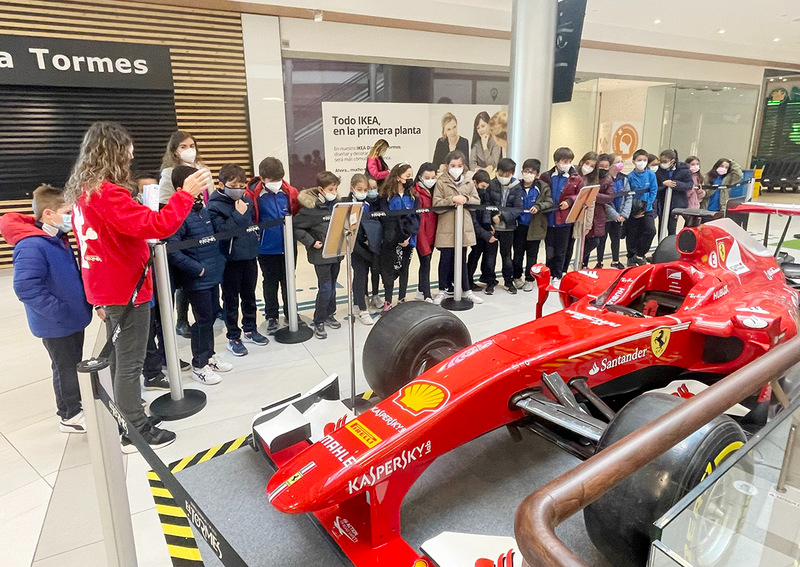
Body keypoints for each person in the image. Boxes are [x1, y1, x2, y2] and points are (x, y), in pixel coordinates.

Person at [65, 121, 208, 451]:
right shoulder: (108, 194)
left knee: (121, 359)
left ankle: (126, 417)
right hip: (125, 289)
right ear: (113, 155)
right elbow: (158, 225)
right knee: (130, 363)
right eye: (127, 155)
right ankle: (135, 430)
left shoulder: (85, 192)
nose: (130, 160)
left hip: (107, 287)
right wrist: (185, 195)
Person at [0, 185, 92, 433]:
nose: (71, 217)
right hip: (57, 322)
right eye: (67, 212)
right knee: (65, 368)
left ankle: (74, 404)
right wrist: (59, 311)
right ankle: (70, 415)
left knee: (71, 364)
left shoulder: (57, 239)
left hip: (71, 318)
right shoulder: (31, 245)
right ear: (49, 213)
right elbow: (26, 287)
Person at [167, 166, 231, 385]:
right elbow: (173, 251)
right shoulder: (177, 214)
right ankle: (199, 365)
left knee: (210, 317)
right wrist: (198, 269)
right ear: (180, 188)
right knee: (202, 321)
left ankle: (209, 356)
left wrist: (217, 264)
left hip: (212, 274)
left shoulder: (201, 209)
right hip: (197, 279)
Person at [208, 164, 269, 357]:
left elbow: (250, 226)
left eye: (242, 186)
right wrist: (238, 214)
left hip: (249, 255)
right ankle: (233, 336)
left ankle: (250, 329)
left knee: (249, 295)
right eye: (234, 185)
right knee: (231, 299)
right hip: (229, 259)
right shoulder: (214, 205)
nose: (238, 190)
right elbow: (222, 232)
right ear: (222, 184)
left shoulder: (246, 201)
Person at [245, 157, 300, 335]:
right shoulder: (253, 195)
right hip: (266, 247)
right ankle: (271, 316)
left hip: (288, 245)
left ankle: (291, 313)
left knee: (288, 280)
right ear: (262, 178)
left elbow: (297, 214)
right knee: (270, 282)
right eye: (271, 180)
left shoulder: (290, 192)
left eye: (279, 179)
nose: (276, 183)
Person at [294, 172, 342, 339]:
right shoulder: (311, 208)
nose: (334, 192)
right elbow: (296, 227)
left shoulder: (337, 205)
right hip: (320, 254)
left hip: (336, 252)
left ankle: (330, 313)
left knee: (333, 286)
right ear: (321, 189)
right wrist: (311, 242)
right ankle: (319, 320)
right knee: (326, 287)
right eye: (331, 189)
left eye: (336, 189)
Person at [433, 151, 483, 305]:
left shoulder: (468, 181)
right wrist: (452, 199)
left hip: (463, 227)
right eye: (453, 165)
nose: (456, 168)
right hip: (447, 228)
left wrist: (465, 198)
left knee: (462, 260)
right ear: (447, 166)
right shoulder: (441, 182)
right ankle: (442, 290)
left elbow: (476, 201)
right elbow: (436, 205)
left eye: (459, 165)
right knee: (445, 259)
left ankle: (466, 290)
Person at [378, 163, 420, 310]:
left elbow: (416, 217)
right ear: (397, 177)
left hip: (408, 239)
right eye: (407, 176)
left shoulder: (413, 196)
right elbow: (387, 218)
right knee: (389, 270)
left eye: (411, 176)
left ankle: (402, 298)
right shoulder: (385, 196)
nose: (410, 179)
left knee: (405, 268)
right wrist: (399, 238)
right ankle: (388, 300)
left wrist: (407, 236)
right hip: (391, 239)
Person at [541, 147, 583, 281]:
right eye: (565, 161)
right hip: (549, 218)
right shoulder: (546, 176)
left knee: (561, 250)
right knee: (549, 249)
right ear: (556, 162)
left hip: (565, 220)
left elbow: (580, 195)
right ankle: (548, 272)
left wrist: (569, 201)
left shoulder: (576, 178)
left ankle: (558, 275)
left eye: (570, 161)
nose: (567, 164)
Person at [346, 174, 380, 324]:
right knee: (360, 274)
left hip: (368, 246)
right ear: (352, 188)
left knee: (365, 274)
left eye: (365, 189)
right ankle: (362, 309)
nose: (363, 192)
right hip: (355, 246)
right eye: (359, 189)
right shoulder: (346, 204)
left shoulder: (368, 204)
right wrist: (360, 240)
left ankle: (358, 302)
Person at [516, 159, 554, 288]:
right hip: (519, 226)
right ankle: (517, 277)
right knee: (518, 253)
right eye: (526, 171)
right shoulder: (516, 186)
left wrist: (538, 206)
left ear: (537, 174)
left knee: (532, 255)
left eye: (532, 172)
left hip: (535, 226)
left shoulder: (542, 187)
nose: (528, 174)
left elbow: (549, 202)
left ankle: (529, 279)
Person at [486, 158, 522, 294]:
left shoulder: (517, 186)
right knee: (490, 256)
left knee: (506, 255)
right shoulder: (492, 184)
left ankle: (508, 281)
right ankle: (490, 282)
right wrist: (490, 220)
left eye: (508, 174)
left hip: (508, 227)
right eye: (502, 173)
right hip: (493, 228)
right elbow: (487, 204)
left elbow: (517, 208)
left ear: (512, 173)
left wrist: (501, 217)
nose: (504, 176)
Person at [466, 169, 498, 294]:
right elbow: (473, 221)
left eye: (486, 187)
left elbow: (487, 209)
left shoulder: (486, 194)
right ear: (475, 182)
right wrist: (485, 234)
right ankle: (467, 281)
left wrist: (489, 224)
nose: (484, 189)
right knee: (474, 255)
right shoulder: (469, 195)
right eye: (482, 186)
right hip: (475, 231)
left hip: (485, 228)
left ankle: (489, 279)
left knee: (489, 255)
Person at [625, 149, 659, 267]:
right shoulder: (630, 177)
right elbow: (628, 194)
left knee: (650, 230)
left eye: (644, 160)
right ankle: (631, 256)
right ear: (634, 161)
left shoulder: (651, 175)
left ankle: (640, 253)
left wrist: (646, 206)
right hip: (633, 209)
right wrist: (634, 211)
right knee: (632, 233)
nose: (642, 162)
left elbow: (653, 190)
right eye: (639, 160)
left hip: (647, 209)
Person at [581, 154, 614, 268]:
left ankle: (582, 260)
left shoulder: (608, 179)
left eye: (606, 166)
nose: (603, 169)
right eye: (601, 166)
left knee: (595, 241)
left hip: (599, 214)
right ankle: (583, 263)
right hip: (585, 212)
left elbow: (609, 197)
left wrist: (593, 194)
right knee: (585, 240)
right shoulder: (588, 177)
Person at [599, 154, 632, 269]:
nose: (620, 164)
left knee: (616, 238)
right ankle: (599, 262)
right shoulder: (604, 179)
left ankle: (615, 261)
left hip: (620, 215)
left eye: (621, 161)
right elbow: (603, 200)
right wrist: (614, 214)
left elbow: (628, 196)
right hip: (606, 215)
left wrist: (624, 214)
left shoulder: (624, 179)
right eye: (618, 162)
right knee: (602, 239)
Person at [158, 130, 207, 205]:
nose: (189, 150)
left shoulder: (203, 169)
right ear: (175, 151)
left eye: (192, 146)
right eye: (183, 147)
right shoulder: (169, 173)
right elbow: (164, 201)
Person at [414, 163, 439, 302]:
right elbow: (419, 219)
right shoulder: (416, 192)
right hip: (422, 234)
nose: (430, 180)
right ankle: (427, 294)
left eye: (433, 177)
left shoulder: (435, 189)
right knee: (425, 263)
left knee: (426, 263)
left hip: (432, 233)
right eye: (427, 177)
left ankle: (421, 290)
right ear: (420, 177)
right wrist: (422, 239)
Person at [655, 149, 693, 236]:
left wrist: (675, 184)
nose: (662, 163)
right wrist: (664, 184)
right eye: (661, 161)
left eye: (665, 161)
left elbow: (689, 185)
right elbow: (655, 185)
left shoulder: (684, 170)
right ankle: (661, 242)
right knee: (661, 226)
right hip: (662, 202)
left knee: (672, 226)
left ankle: (672, 241)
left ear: (672, 161)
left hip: (676, 203)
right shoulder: (659, 171)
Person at [365, 176, 383, 310]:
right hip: (364, 243)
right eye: (369, 188)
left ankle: (375, 294)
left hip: (377, 240)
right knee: (363, 271)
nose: (372, 191)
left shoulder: (380, 201)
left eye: (374, 188)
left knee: (376, 269)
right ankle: (363, 296)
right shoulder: (362, 203)